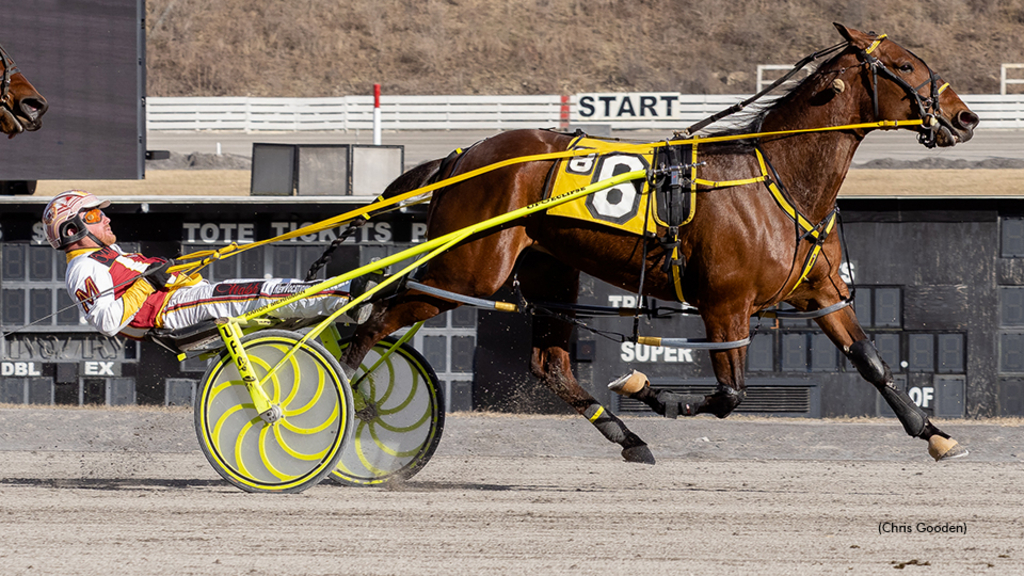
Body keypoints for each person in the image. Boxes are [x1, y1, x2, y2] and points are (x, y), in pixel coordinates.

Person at [42, 189, 371, 340]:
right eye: (96, 215)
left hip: (178, 300)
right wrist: (149, 283)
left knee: (264, 289)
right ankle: (349, 297)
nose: (107, 218)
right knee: (261, 292)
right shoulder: (83, 269)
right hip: (170, 311)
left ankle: (341, 298)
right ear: (74, 231)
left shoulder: (104, 257)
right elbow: (107, 321)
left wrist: (174, 276)